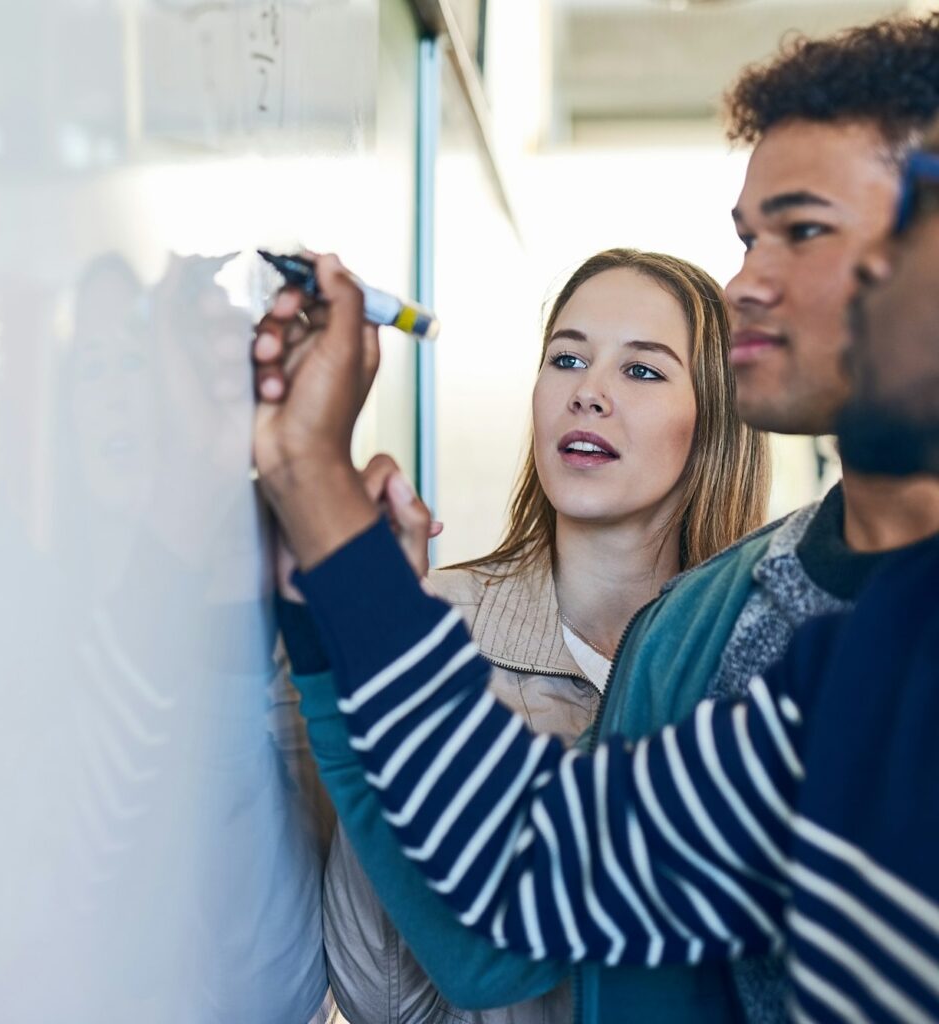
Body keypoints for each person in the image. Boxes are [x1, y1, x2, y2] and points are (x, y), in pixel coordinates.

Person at [255, 14, 939, 1022]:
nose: (745, 283)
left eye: (802, 231)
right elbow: (521, 877)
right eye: (747, 238)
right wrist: (321, 539)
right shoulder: (841, 665)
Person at [301, 249, 769, 1023]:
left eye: (642, 372)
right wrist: (387, 658)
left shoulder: (755, 658)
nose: (588, 392)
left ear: (716, 419)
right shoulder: (435, 622)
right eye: (567, 358)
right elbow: (374, 992)